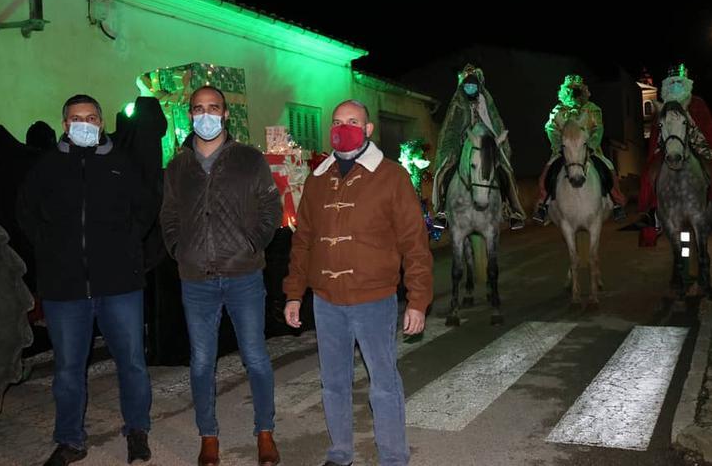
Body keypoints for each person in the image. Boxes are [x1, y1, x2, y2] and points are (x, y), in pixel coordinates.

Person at [283, 100, 433, 466]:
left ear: (368, 130)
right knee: (333, 383)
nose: (343, 127)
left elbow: (414, 242)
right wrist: (293, 293)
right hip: (326, 301)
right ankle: (340, 453)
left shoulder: (391, 176)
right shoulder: (318, 179)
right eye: (337, 122)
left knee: (383, 383)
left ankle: (394, 456)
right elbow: (303, 241)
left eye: (353, 122)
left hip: (373, 299)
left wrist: (417, 299)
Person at [17, 94, 154, 466]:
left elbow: (145, 208)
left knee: (132, 361)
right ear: (64, 124)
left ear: (101, 121)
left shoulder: (122, 165)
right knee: (67, 369)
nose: (84, 123)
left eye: (91, 117)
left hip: (120, 284)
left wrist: (126, 246)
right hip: (65, 288)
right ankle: (70, 440)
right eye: (76, 118)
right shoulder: (45, 168)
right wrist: (50, 249)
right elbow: (26, 213)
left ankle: (137, 430)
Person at [160, 86, 282, 466]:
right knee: (201, 362)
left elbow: (270, 207)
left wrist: (253, 244)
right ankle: (208, 436)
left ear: (226, 114)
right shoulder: (178, 166)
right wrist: (180, 250)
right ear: (190, 115)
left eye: (213, 108)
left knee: (256, 357)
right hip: (196, 279)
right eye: (199, 109)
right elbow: (169, 215)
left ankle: (265, 431)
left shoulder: (249, 159)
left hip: (243, 274)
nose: (206, 115)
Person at [638, 64, 712, 243]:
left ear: (686, 82)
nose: (675, 85)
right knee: (648, 174)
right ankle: (650, 214)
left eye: (679, 81)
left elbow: (706, 129)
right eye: (672, 81)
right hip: (668, 147)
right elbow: (656, 132)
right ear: (667, 84)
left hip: (697, 145)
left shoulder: (696, 103)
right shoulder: (663, 106)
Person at [431, 64, 526, 231]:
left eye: (472, 85)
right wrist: (456, 143)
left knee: (505, 171)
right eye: (466, 85)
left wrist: (496, 139)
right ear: (462, 86)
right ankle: (442, 211)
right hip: (463, 144)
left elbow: (494, 122)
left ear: (478, 86)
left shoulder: (485, 102)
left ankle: (512, 210)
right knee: (443, 172)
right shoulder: (457, 104)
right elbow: (450, 129)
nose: (469, 88)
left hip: (487, 142)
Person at [533, 74, 627, 224]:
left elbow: (598, 128)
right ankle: (543, 204)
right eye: (570, 91)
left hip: (589, 150)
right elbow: (550, 129)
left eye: (576, 91)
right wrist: (559, 146)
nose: (573, 94)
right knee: (546, 174)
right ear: (565, 92)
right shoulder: (557, 111)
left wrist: (590, 146)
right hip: (564, 151)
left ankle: (616, 201)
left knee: (607, 169)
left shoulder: (592, 109)